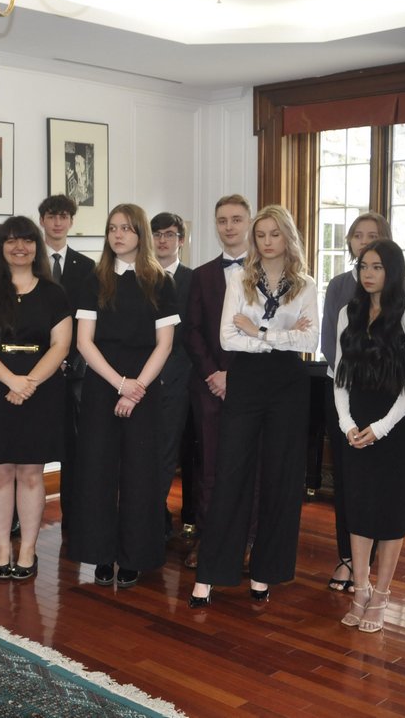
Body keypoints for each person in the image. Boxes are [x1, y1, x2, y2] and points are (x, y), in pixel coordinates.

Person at [190, 205, 319, 607]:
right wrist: (281, 334)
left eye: (274, 234)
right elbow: (228, 338)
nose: (266, 242)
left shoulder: (306, 285)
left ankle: (265, 572)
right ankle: (209, 575)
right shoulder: (239, 280)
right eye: (260, 235)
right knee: (231, 473)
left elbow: (309, 342)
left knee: (280, 478)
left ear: (288, 237)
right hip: (245, 380)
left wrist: (259, 331)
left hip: (288, 385)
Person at [68, 204, 179, 589]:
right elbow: (84, 342)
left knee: (140, 475)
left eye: (127, 229)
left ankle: (135, 557)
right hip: (103, 385)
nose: (118, 235)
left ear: (141, 234)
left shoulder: (161, 282)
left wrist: (136, 389)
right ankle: (101, 554)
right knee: (97, 472)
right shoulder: (94, 279)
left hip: (144, 388)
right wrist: (120, 384)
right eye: (113, 228)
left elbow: (165, 345)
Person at [0, 217, 71, 580]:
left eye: (26, 240)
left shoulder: (54, 293)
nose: (19, 247)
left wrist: (29, 383)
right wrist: (11, 379)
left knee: (30, 474)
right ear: (1, 248)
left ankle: (27, 549)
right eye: (11, 241)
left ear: (36, 247)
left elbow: (61, 345)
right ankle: (2, 548)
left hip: (41, 393)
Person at [333, 240, 405, 632]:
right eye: (363, 266)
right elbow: (340, 375)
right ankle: (360, 590)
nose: (368, 273)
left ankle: (382, 595)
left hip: (395, 427)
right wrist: (346, 423)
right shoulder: (348, 312)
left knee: (390, 514)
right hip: (357, 427)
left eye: (377, 266)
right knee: (358, 511)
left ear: (393, 271)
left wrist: (382, 427)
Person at [319, 212, 405, 593]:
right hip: (344, 394)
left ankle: (371, 569)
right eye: (357, 235)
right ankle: (348, 559)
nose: (364, 241)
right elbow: (329, 341)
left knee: (382, 485)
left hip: (384, 397)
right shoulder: (339, 286)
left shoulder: (402, 289)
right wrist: (351, 385)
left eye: (373, 235)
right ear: (351, 243)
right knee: (348, 482)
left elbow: (401, 348)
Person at [182, 194, 251, 568]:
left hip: (252, 386)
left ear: (248, 222)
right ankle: (207, 542)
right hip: (208, 387)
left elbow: (268, 331)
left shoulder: (265, 273)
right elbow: (192, 331)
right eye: (223, 220)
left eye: (236, 219)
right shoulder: (201, 275)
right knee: (208, 467)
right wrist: (214, 374)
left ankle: (247, 541)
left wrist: (235, 376)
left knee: (250, 467)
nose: (229, 226)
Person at [37, 195, 94, 531]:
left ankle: (73, 517)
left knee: (74, 450)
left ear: (71, 221)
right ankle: (18, 519)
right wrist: (46, 359)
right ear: (42, 220)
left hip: (73, 372)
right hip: (33, 368)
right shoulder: (29, 262)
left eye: (63, 216)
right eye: (51, 216)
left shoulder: (86, 267)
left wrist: (67, 359)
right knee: (27, 448)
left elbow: (89, 320)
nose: (57, 222)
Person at [150, 212, 194, 541]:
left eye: (169, 234)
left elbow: (193, 333)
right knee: (142, 453)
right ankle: (150, 515)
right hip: (140, 378)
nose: (162, 240)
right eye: (157, 234)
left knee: (168, 453)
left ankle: (158, 516)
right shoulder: (140, 277)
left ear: (181, 240)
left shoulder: (194, 280)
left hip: (180, 379)